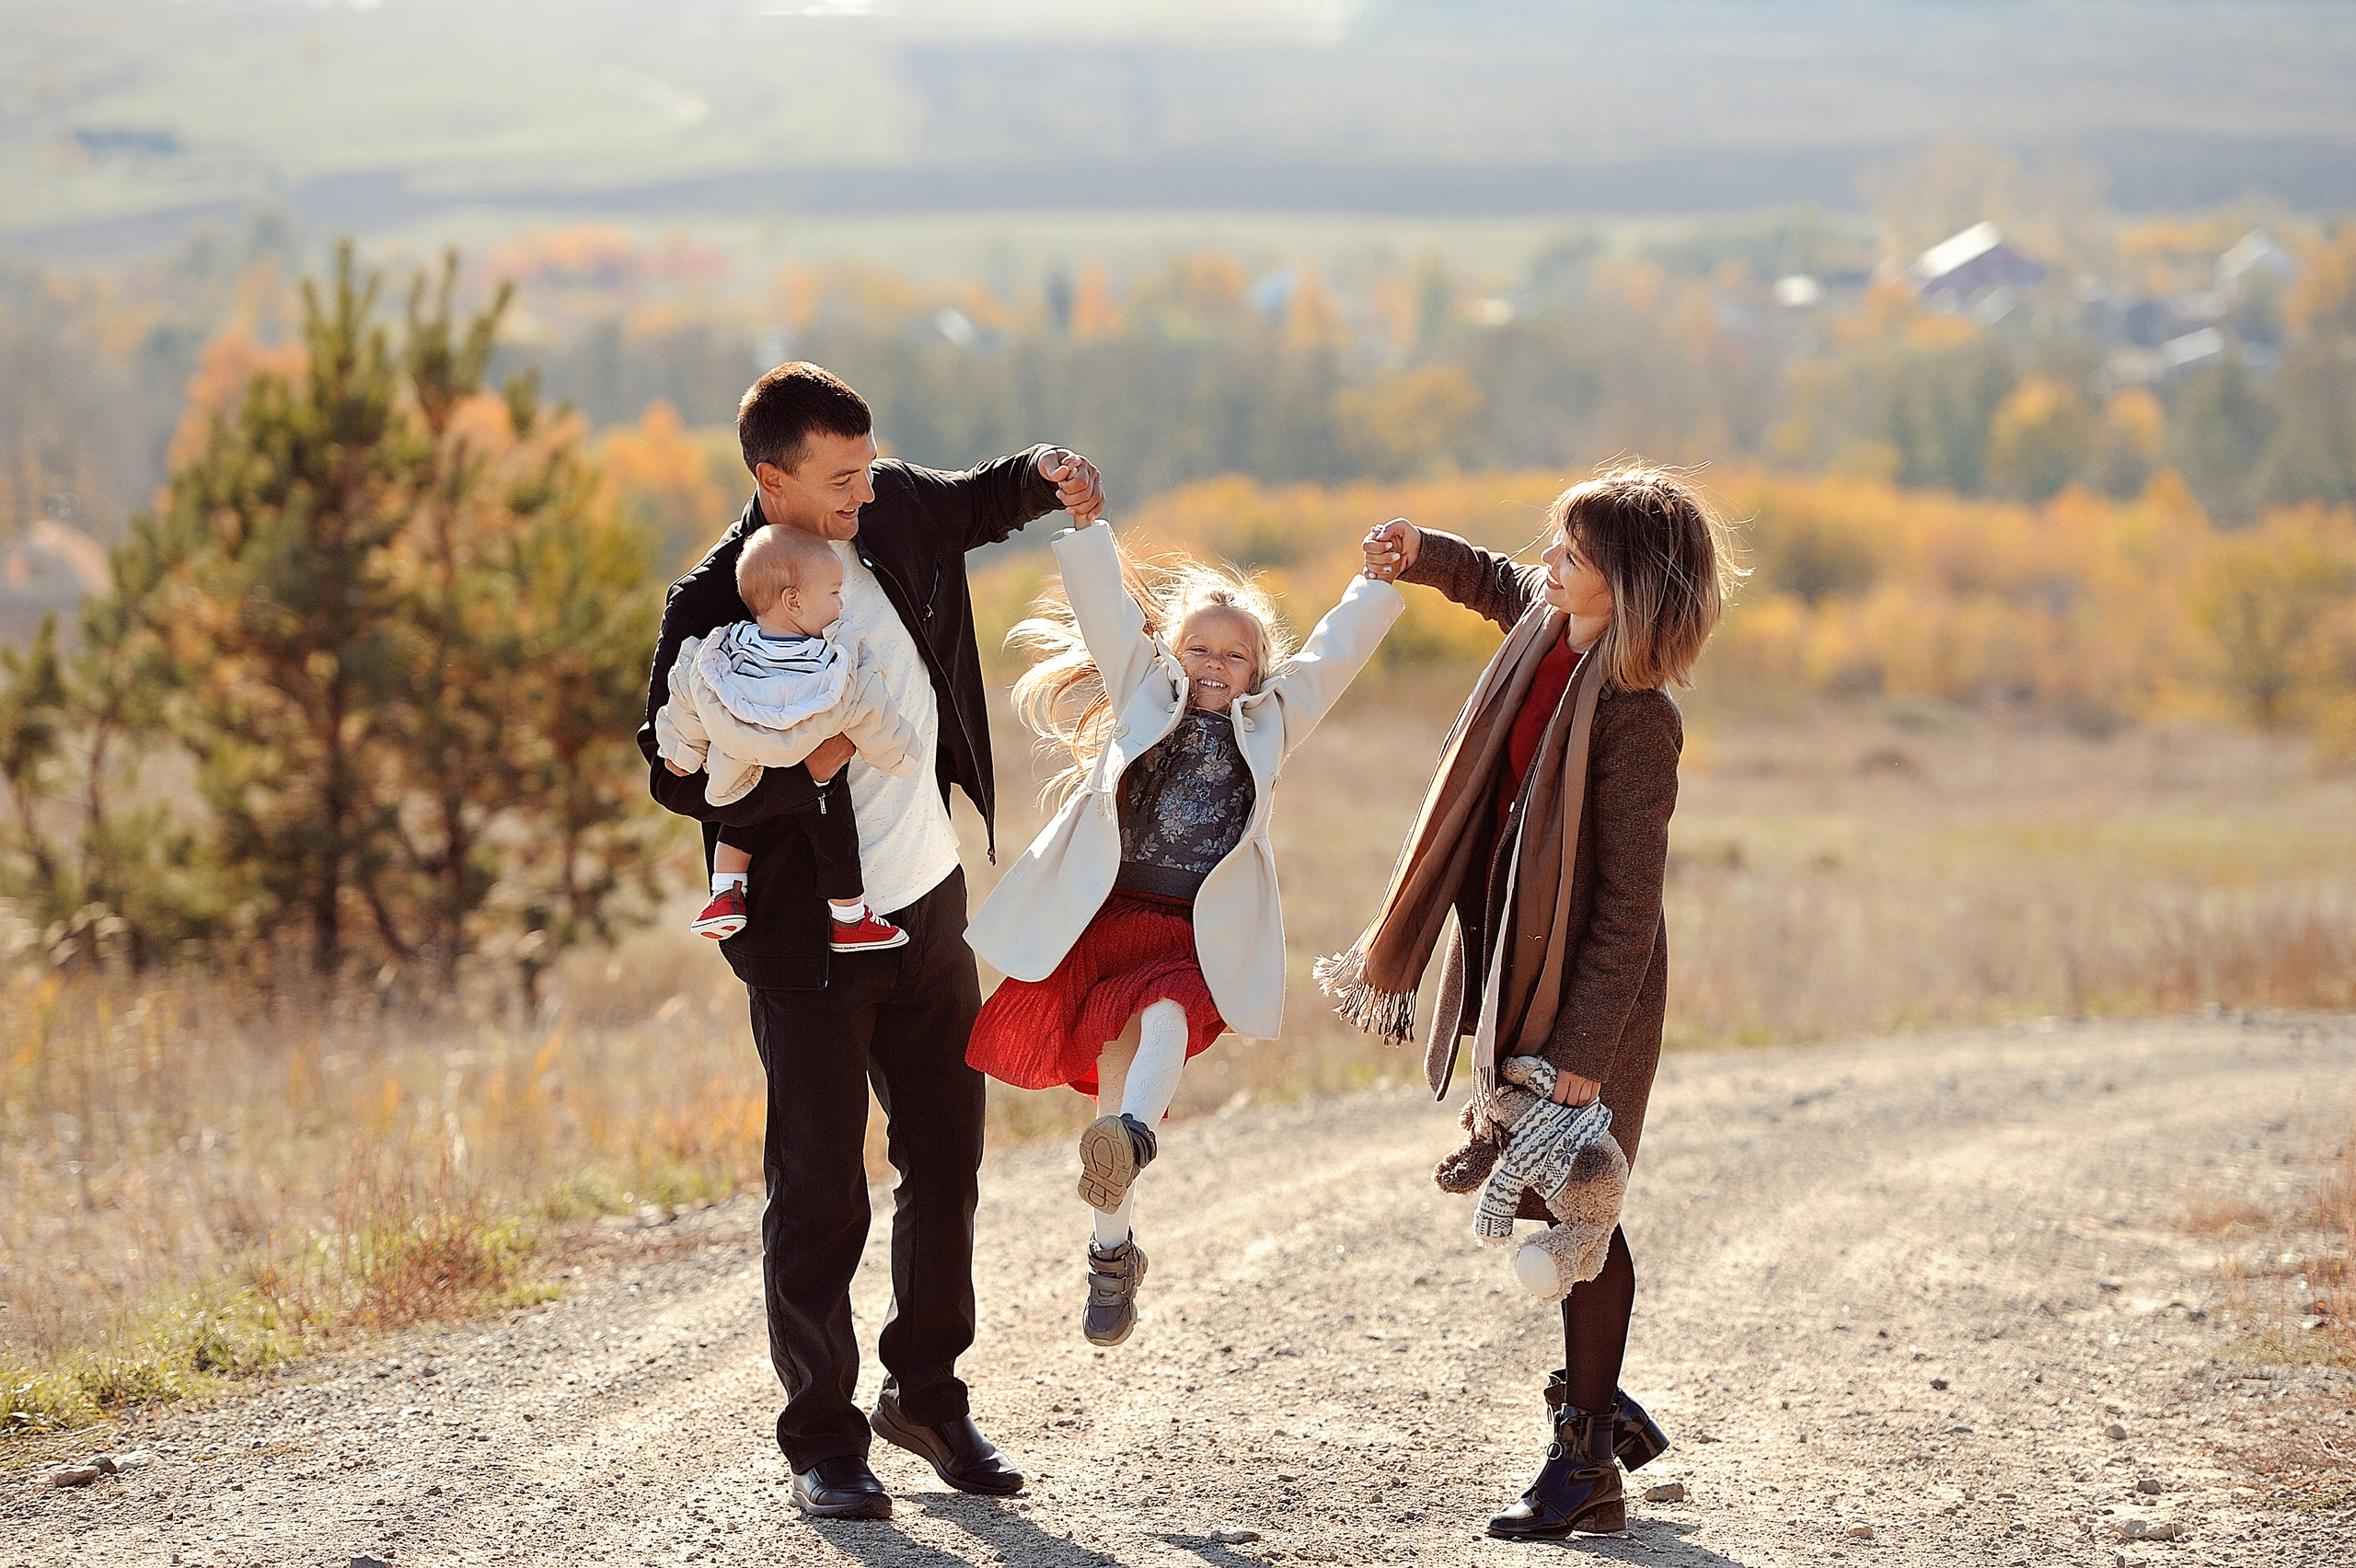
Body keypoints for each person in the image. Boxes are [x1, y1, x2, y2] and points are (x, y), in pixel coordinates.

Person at [637, 361, 1104, 1522]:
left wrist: (1048, 473)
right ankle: (824, 1440)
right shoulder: (709, 602)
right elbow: (671, 773)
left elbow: (980, 497)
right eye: (838, 477)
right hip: (803, 938)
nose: (864, 490)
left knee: (945, 1164)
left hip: (928, 907)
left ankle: (928, 1398)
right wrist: (809, 764)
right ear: (771, 479)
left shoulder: (891, 508)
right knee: (821, 1188)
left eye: (868, 464)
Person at [1337, 467, 1735, 1540]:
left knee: (1574, 1204)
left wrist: (1583, 1049)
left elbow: (1629, 907)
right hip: (1520, 962)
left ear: (1627, 591)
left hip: (1588, 993)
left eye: (1572, 555)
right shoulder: (1545, 627)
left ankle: (1587, 1459)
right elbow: (1494, 577)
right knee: (1538, 1191)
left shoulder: (1635, 718)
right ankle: (1606, 1422)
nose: (1547, 564)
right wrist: (1420, 552)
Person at [964, 512, 1402, 1346]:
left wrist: (1375, 585)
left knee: (1165, 1014)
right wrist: (1087, 528)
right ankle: (1111, 1251)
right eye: (1199, 647)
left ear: (1256, 671)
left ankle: (1133, 1135)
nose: (1214, 664)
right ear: (1171, 650)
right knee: (1112, 1078)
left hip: (1192, 933)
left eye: (1235, 654)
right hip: (1110, 917)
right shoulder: (1143, 692)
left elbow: (1329, 663)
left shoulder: (1272, 722)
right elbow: (1105, 615)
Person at [654, 523, 916, 952]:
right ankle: (849, 916)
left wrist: (683, 749)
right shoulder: (831, 658)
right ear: (794, 600)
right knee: (834, 826)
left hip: (740, 763)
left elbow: (688, 688)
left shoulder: (728, 649)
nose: (841, 603)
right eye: (833, 592)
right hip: (813, 771)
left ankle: (725, 892)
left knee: (741, 814)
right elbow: (868, 708)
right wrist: (899, 755)